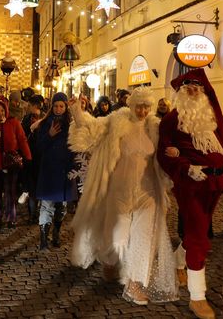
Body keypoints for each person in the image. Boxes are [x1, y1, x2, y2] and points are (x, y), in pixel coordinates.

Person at [68, 87, 178, 305]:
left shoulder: (155, 127)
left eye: (147, 106)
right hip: (119, 190)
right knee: (115, 235)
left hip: (148, 192)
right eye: (139, 106)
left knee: (144, 238)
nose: (143, 111)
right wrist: (77, 112)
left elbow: (171, 144)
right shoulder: (116, 121)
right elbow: (92, 129)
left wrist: (175, 152)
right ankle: (109, 261)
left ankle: (134, 283)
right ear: (132, 104)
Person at [157, 69, 223, 319]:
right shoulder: (171, 119)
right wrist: (185, 167)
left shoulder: (213, 115)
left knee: (199, 229)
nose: (193, 90)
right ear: (180, 93)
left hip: (216, 181)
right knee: (198, 235)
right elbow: (164, 153)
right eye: (187, 87)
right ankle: (197, 296)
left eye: (197, 86)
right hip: (190, 184)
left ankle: (178, 261)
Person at [34, 92, 77, 250]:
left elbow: (76, 146)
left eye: (61, 106)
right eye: (56, 105)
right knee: (47, 205)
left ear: (66, 107)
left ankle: (56, 233)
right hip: (49, 169)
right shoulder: (45, 123)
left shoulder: (72, 124)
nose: (58, 109)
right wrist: (50, 135)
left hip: (65, 169)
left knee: (62, 206)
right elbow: (39, 147)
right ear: (51, 107)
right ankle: (44, 238)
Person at [0, 97, 32, 230]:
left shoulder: (13, 122)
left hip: (10, 163)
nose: (0, 113)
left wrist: (27, 156)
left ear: (6, 110)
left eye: (2, 110)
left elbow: (22, 139)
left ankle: (11, 218)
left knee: (11, 192)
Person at [21, 95, 46, 224]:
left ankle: (39, 213)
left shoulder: (45, 119)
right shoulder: (26, 119)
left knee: (38, 187)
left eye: (29, 105)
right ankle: (32, 214)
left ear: (35, 106)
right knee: (31, 188)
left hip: (40, 157)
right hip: (29, 157)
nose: (27, 107)